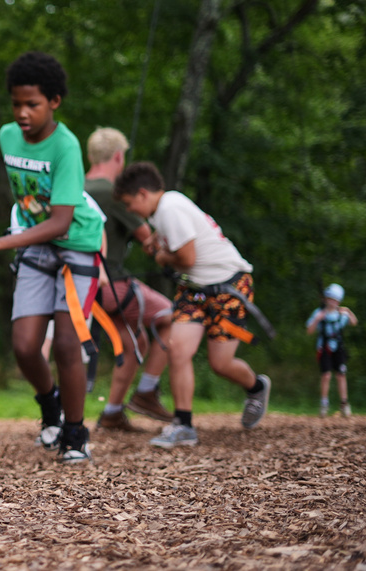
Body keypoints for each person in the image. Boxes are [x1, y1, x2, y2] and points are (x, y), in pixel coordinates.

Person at [0, 51, 103, 463]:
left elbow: (61, 220)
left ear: (55, 102)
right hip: (34, 245)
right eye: (16, 104)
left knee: (66, 344)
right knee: (25, 346)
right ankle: (51, 406)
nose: (22, 113)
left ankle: (76, 432)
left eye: (33, 104)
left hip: (76, 245)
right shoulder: (7, 136)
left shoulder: (66, 146)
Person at [113, 161, 271, 449]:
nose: (130, 210)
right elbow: (180, 255)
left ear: (143, 194)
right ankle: (183, 425)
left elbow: (186, 259)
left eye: (128, 203)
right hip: (194, 289)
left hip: (230, 287)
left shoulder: (170, 208)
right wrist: (159, 249)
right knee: (177, 349)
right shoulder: (162, 212)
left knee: (220, 364)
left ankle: (257, 387)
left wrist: (163, 258)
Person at [83, 127, 174, 431]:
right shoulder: (114, 194)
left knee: (133, 342)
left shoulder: (77, 187)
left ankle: (112, 412)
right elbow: (147, 237)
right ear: (119, 157)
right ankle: (147, 392)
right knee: (167, 315)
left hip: (81, 286)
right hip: (113, 284)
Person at [306, 283, 358, 418]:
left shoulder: (341, 314)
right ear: (325, 299)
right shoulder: (319, 313)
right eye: (329, 299)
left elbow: (354, 322)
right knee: (326, 375)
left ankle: (344, 403)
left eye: (335, 300)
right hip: (324, 348)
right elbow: (309, 330)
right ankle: (324, 404)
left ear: (338, 301)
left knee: (341, 374)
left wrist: (348, 311)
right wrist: (317, 320)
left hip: (338, 348)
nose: (331, 302)